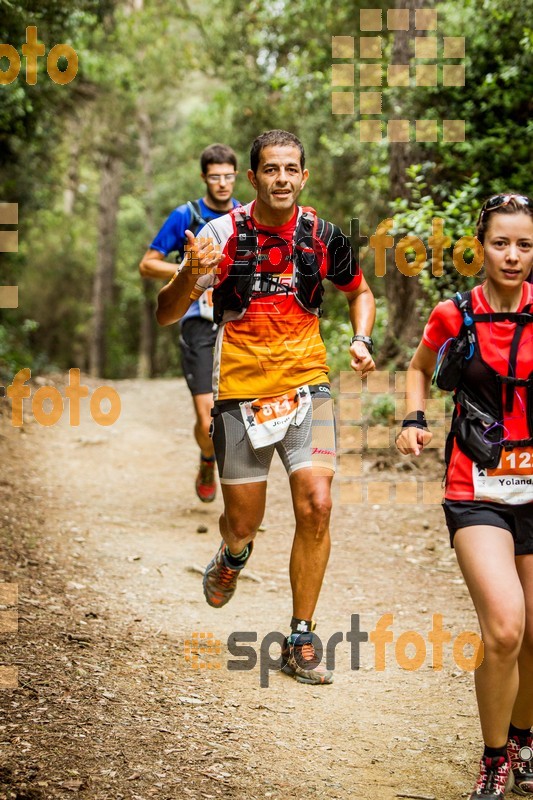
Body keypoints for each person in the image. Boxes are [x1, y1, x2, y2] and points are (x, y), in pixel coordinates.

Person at [156, 129, 376, 685]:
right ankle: (231, 558)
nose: (282, 178)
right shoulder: (219, 234)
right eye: (271, 169)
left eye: (291, 169)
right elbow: (165, 313)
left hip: (308, 386)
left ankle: (300, 636)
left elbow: (360, 291)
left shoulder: (324, 235)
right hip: (241, 393)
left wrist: (361, 338)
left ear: (304, 176)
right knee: (243, 523)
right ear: (253, 178)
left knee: (318, 504)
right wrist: (188, 272)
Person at [396, 194, 533, 797]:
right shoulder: (455, 314)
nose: (512, 255)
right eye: (501, 242)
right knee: (505, 628)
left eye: (524, 244)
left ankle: (526, 740)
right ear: (480, 247)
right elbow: (418, 367)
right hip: (474, 488)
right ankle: (495, 756)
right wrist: (413, 418)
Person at [139, 143, 240, 502]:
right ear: (204, 178)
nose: (223, 184)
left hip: (237, 323)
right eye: (216, 177)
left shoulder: (244, 216)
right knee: (207, 421)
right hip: (197, 322)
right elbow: (147, 264)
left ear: (238, 177)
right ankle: (207, 458)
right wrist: (190, 271)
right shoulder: (186, 215)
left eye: (229, 176)